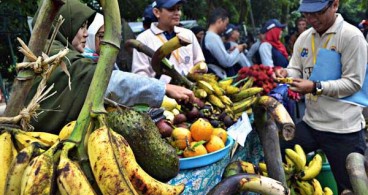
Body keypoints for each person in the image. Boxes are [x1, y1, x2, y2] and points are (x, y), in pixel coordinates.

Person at [26, 0, 195, 134]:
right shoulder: (54, 55)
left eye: (86, 27)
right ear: (62, 24)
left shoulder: (52, 49)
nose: (85, 33)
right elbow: (104, 81)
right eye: (80, 26)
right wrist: (164, 88)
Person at [275, 0, 367, 195]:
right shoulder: (305, 38)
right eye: (307, 14)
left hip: (344, 130)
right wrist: (285, 72)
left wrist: (316, 87)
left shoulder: (352, 37)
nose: (311, 19)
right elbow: (295, 67)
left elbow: (353, 83)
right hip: (312, 124)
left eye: (317, 12)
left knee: (353, 193)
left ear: (335, 5)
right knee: (276, 150)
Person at [131, 0, 206, 81]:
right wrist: (166, 88)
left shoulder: (188, 34)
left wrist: (201, 68)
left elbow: (200, 61)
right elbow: (139, 76)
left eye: (178, 9)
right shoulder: (143, 38)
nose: (177, 13)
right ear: (157, 12)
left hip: (190, 89)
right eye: (171, 9)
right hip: (161, 92)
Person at [202, 8, 246, 78]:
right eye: (226, 24)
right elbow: (226, 62)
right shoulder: (212, 37)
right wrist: (238, 50)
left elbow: (217, 56)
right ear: (219, 21)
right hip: (218, 78)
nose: (226, 28)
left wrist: (230, 51)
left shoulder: (209, 36)